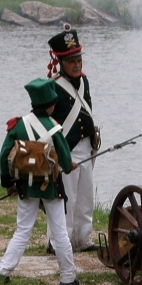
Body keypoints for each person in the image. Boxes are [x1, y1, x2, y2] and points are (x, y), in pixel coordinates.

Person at [0, 78, 80, 285]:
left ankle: (3, 271)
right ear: (50, 104)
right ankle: (68, 278)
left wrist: (9, 183)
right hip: (51, 188)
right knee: (59, 231)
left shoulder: (18, 126)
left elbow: (4, 156)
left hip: (26, 186)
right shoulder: (54, 128)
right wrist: (71, 165)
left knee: (22, 230)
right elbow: (66, 163)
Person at [45, 24, 99, 253]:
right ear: (60, 62)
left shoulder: (85, 82)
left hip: (87, 148)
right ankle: (59, 243)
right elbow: (45, 122)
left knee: (85, 199)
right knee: (65, 200)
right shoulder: (52, 87)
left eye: (78, 59)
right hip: (66, 149)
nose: (77, 65)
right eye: (71, 61)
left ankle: (82, 239)